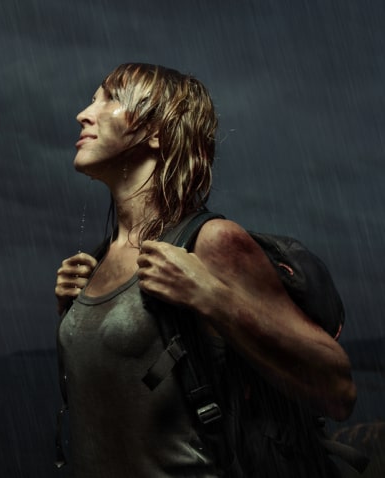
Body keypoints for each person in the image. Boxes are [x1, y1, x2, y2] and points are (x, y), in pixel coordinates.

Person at [54, 63, 356, 477]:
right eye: (91, 99)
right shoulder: (100, 257)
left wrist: (213, 297)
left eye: (109, 99)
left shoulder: (211, 242)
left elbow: (338, 390)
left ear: (156, 132)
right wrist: (74, 313)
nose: (84, 113)